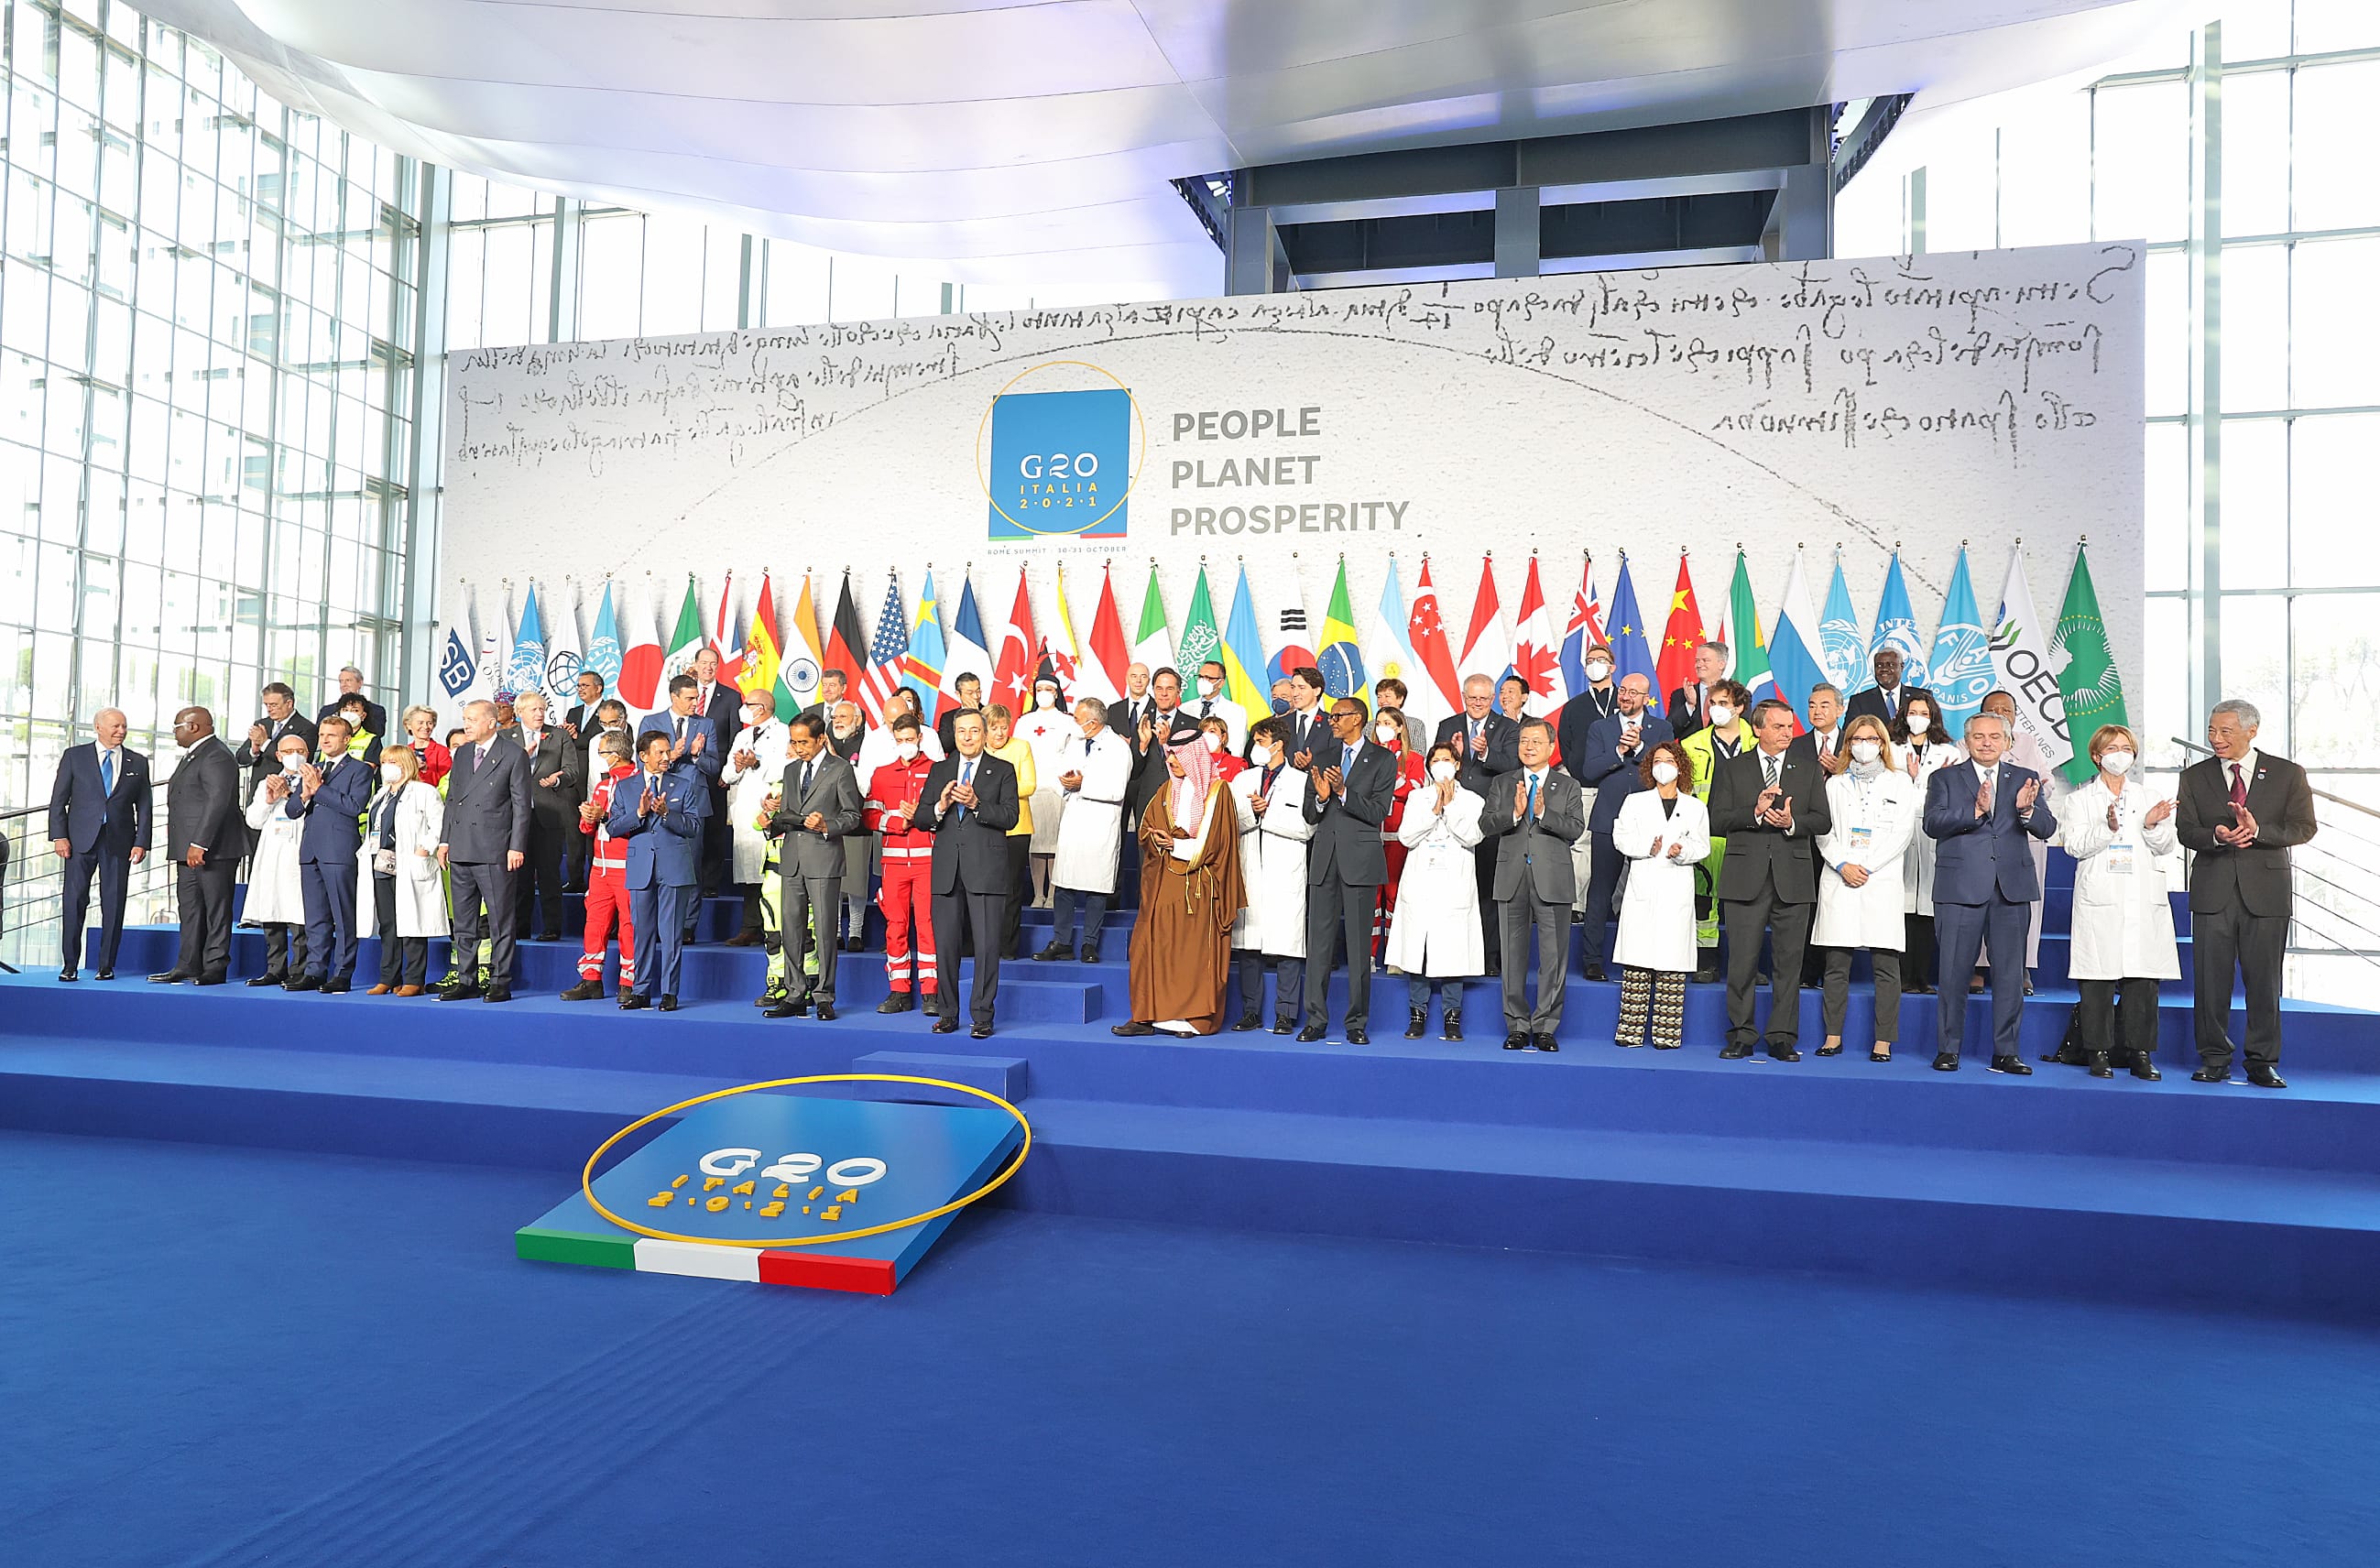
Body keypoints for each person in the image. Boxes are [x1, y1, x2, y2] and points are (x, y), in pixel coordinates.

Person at [2177, 698, 2317, 1089]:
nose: (2216, 738)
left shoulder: (2288, 774)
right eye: (2212, 730)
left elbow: (2304, 827)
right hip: (2213, 890)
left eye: (2225, 731)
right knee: (2210, 983)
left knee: (2265, 983)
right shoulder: (2194, 776)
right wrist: (2216, 835)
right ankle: (2214, 1058)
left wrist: (2259, 832)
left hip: (2266, 892)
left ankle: (2262, 1061)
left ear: (2251, 731)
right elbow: (2185, 830)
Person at [1923, 711, 2057, 1073]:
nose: (1986, 743)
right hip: (1959, 888)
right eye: (1978, 736)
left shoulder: (2026, 778)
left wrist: (2027, 811)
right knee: (1953, 973)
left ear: (2007, 742)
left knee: (2011, 976)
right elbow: (1932, 823)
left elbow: (2047, 827)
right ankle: (1948, 1049)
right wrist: (1975, 810)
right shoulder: (1944, 778)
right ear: (1966, 741)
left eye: (1995, 737)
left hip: (2010, 889)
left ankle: (2006, 1052)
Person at [2054, 724, 2179, 1080]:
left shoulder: (2148, 795)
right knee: (2097, 979)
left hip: (2141, 897)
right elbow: (2074, 846)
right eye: (2112, 748)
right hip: (2101, 897)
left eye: (2126, 748)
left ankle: (2140, 1053)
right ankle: (2097, 1051)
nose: (2120, 754)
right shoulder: (2079, 800)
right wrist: (2107, 828)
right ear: (2097, 756)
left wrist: (2151, 825)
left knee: (2143, 981)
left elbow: (2166, 845)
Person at [1709, 699, 1832, 1062]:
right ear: (1758, 728)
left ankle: (1782, 1036)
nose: (1787, 733)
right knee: (1742, 962)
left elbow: (1822, 821)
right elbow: (1716, 819)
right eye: (1778, 727)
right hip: (1745, 878)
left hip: (1793, 878)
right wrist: (1755, 813)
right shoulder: (1734, 768)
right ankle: (1741, 1034)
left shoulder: (1808, 769)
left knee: (1789, 964)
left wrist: (1792, 824)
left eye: (1790, 726)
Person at [1112, 736, 1247, 1037]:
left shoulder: (1217, 792)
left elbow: (1218, 841)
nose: (1171, 761)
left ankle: (1191, 1019)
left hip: (1199, 885)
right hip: (1164, 882)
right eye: (1169, 755)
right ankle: (1147, 1016)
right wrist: (1158, 838)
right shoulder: (1166, 790)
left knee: (1190, 954)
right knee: (1151, 946)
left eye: (1178, 755)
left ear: (1194, 756)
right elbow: (1147, 827)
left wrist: (1178, 844)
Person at [1812, 715, 1919, 1062]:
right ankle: (1832, 1036)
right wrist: (1843, 864)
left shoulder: (1899, 783)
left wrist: (1867, 866)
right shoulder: (1834, 784)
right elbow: (1824, 832)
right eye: (1857, 739)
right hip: (1840, 877)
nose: (1863, 745)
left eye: (1871, 739)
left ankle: (1883, 1041)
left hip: (1880, 879)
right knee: (1836, 965)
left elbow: (1902, 832)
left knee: (1886, 966)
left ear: (1883, 744)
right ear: (1848, 745)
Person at [1479, 717, 1588, 1051]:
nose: (1528, 747)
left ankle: (1545, 1026)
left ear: (1551, 747)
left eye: (1536, 741)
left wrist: (1542, 814)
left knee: (1553, 958)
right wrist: (1514, 814)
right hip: (1511, 877)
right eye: (1524, 741)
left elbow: (1576, 829)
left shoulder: (1568, 785)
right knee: (1512, 957)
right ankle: (1516, 1024)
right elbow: (1486, 823)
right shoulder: (1503, 782)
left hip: (1552, 879)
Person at [913, 710, 1020, 1038]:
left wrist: (976, 804)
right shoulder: (940, 769)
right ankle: (947, 1013)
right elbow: (921, 818)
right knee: (945, 946)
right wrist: (941, 806)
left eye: (974, 731)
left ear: (985, 734)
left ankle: (982, 1016)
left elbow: (1010, 816)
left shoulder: (1002, 770)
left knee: (987, 947)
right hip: (947, 870)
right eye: (961, 731)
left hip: (986, 869)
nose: (967, 737)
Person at [1299, 696, 1398, 1044]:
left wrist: (1342, 792)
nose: (1332, 721)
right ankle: (1315, 1019)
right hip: (1325, 859)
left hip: (1360, 861)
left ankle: (1356, 1022)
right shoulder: (1322, 757)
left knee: (1358, 948)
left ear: (1357, 718)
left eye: (1337, 716)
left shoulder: (1383, 759)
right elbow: (1309, 813)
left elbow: (1378, 812)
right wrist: (1322, 798)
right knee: (1319, 946)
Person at [1610, 738, 1709, 1050]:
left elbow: (1703, 846)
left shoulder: (1695, 807)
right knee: (1637, 962)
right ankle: (1630, 1032)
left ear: (1680, 768)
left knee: (1671, 962)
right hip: (1643, 883)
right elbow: (1620, 838)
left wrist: (1683, 850)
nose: (1662, 767)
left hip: (1677, 886)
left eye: (1669, 761)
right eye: (1657, 762)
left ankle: (1667, 1035)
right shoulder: (1635, 802)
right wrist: (1646, 848)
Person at [764, 713, 863, 1020]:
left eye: (804, 742)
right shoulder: (790, 769)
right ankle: (795, 993)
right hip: (792, 859)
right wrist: (773, 819)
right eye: (794, 742)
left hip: (824, 858)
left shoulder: (841, 769)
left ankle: (824, 995)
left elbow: (852, 816)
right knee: (791, 929)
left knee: (824, 930)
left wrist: (825, 826)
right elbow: (787, 814)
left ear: (821, 739)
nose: (798, 748)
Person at [1576, 673, 1674, 982]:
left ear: (1646, 698)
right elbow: (1589, 770)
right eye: (1623, 691)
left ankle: (1646, 959)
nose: (1626, 696)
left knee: (1649, 891)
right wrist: (1618, 752)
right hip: (1608, 819)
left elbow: (1667, 769)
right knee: (1600, 890)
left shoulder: (1662, 728)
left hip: (1650, 821)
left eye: (1634, 692)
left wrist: (1642, 747)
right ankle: (1592, 960)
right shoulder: (1600, 728)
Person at [1386, 741, 1485, 1040]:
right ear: (1429, 766)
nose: (1441, 764)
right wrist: (1435, 809)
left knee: (1453, 950)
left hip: (1454, 885)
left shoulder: (1473, 800)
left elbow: (1472, 836)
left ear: (1457, 764)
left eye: (1447, 759)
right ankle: (1417, 1014)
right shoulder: (1418, 798)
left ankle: (1452, 1016)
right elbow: (1406, 836)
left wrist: (1451, 806)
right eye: (1435, 759)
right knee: (1420, 949)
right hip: (1421, 882)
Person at [438, 700, 531, 1003]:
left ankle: (500, 980)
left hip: (494, 849)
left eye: (473, 719)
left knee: (499, 920)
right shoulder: (464, 753)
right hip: (461, 847)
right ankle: (466, 978)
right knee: (464, 921)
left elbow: (521, 805)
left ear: (491, 722)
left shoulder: (513, 754)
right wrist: (445, 841)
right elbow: (453, 799)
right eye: (465, 719)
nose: (467, 725)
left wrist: (516, 846)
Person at [608, 730, 708, 1011]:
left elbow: (694, 827)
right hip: (641, 868)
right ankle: (640, 991)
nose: (666, 757)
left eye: (667, 751)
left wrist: (666, 813)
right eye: (660, 752)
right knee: (641, 933)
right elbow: (613, 827)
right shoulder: (625, 787)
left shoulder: (683, 785)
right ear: (643, 756)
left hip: (674, 868)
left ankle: (669, 993)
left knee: (672, 934)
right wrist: (639, 814)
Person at [49, 707, 149, 981]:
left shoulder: (138, 762)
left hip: (119, 841)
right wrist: (59, 836)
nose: (121, 731)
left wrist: (141, 842)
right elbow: (58, 800)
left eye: (124, 726)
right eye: (116, 726)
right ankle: (70, 965)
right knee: (74, 901)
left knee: (114, 902)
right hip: (78, 841)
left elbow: (145, 806)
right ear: (98, 727)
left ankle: (106, 965)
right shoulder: (75, 756)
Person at [1230, 719, 1314, 1032]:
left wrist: (1269, 813)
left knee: (1287, 946)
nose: (1255, 747)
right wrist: (1253, 812)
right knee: (1249, 945)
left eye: (1261, 741)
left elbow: (1307, 827)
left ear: (1278, 745)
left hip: (1285, 871)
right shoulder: (1242, 779)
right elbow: (1232, 820)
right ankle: (1250, 1011)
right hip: (1250, 867)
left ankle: (1285, 1014)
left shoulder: (1301, 781)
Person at [1039, 698, 1133, 963]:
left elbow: (1117, 790)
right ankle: (1062, 941)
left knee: (1096, 886)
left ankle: (1089, 944)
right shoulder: (1075, 744)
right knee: (1064, 884)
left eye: (1078, 719)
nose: (1075, 723)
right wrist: (1067, 782)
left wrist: (1083, 784)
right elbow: (1060, 774)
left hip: (1100, 825)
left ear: (1093, 722)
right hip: (1073, 820)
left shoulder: (1118, 748)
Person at [284, 714, 373, 993]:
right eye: (322, 735)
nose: (324, 740)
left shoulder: (360, 769)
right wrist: (304, 794)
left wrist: (319, 789)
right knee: (315, 917)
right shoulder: (314, 768)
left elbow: (354, 806)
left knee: (343, 915)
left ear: (347, 739)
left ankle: (343, 972)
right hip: (310, 850)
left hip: (338, 850)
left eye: (331, 735)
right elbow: (292, 811)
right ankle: (314, 970)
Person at [1438, 673, 1523, 970]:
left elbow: (1513, 765)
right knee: (1455, 887)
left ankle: (1489, 956)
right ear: (1464, 697)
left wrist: (1486, 753)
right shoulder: (1447, 726)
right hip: (1454, 816)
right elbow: (1435, 765)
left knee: (1488, 889)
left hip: (1491, 818)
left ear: (1492, 699)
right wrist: (1456, 758)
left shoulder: (1509, 727)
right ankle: (1454, 953)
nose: (1477, 703)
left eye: (1483, 698)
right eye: (1472, 698)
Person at [150, 707, 239, 985]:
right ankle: (188, 964)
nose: (174, 732)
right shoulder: (195, 754)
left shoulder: (216, 755)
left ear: (194, 727)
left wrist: (200, 842)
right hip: (187, 849)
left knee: (216, 910)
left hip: (213, 850)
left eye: (177, 726)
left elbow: (217, 801)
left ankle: (215, 966)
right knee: (189, 908)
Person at [862, 712, 939, 1013]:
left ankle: (931, 992)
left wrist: (921, 816)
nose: (905, 744)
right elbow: (869, 815)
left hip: (928, 861)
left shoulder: (937, 771)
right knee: (895, 926)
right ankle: (899, 991)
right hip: (893, 863)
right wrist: (898, 822)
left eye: (910, 739)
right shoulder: (882, 774)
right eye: (900, 740)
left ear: (920, 738)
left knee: (928, 925)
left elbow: (946, 815)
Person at [1677, 678, 1752, 983]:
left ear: (1739, 707)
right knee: (1704, 902)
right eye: (1713, 703)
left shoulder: (1757, 742)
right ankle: (1706, 962)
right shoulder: (1690, 745)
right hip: (1705, 835)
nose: (1716, 709)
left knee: (1745, 904)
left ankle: (1746, 966)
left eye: (1724, 703)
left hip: (1747, 834)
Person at [358, 744, 446, 996]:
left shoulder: (424, 792)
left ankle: (414, 980)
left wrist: (424, 848)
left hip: (411, 864)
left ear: (406, 764)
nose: (387, 767)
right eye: (385, 762)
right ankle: (389, 977)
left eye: (393, 762)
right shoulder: (381, 794)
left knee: (412, 922)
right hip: (381, 864)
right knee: (388, 924)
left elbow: (438, 824)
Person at [1891, 695, 1960, 994]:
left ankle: (1921, 976)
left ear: (1933, 717)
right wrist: (1913, 779)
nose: (1917, 718)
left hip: (1932, 833)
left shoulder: (1949, 752)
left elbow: (1952, 792)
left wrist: (1925, 781)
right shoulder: (1891, 749)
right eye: (1912, 712)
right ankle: (1902, 976)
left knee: (1927, 909)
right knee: (1902, 906)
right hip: (1900, 831)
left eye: (1923, 713)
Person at [562, 731, 638, 1004]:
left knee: (629, 925)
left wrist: (602, 816)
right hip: (599, 867)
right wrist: (587, 817)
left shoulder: (637, 782)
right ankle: (591, 979)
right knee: (595, 923)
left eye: (602, 753)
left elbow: (635, 822)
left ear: (615, 755)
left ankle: (629, 983)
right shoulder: (603, 785)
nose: (600, 758)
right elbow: (588, 828)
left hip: (627, 866)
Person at [241, 731, 312, 987]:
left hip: (298, 851)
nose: (295, 756)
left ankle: (299, 969)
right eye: (289, 752)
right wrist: (269, 801)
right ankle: (275, 968)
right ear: (279, 755)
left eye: (300, 751)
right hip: (272, 853)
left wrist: (289, 795)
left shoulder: (314, 780)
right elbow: (253, 820)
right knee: (271, 910)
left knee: (298, 914)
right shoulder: (267, 782)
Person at [719, 687, 790, 946]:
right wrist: (739, 765)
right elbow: (727, 775)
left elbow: (786, 767)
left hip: (769, 805)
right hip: (745, 808)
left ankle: (775, 928)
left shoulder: (783, 733)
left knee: (769, 871)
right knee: (749, 873)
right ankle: (750, 927)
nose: (744, 708)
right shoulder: (743, 735)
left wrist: (756, 764)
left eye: (748, 704)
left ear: (761, 708)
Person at [509, 691, 580, 942]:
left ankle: (552, 927)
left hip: (549, 814)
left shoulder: (559, 736)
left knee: (549, 874)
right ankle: (520, 927)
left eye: (542, 709)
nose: (539, 714)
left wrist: (557, 780)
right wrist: (521, 756)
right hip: (515, 817)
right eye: (534, 710)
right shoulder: (506, 737)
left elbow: (572, 771)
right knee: (520, 877)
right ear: (520, 713)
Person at [1368, 706, 1425, 964]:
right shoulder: (1367, 756)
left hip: (1397, 833)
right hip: (1370, 832)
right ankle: (1369, 953)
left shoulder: (1413, 758)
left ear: (1400, 727)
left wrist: (1385, 786)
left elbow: (1414, 789)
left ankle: (1394, 955)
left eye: (1388, 723)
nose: (1382, 727)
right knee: (1372, 895)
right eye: (1379, 722)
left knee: (1393, 893)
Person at [687, 647, 743, 904]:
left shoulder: (730, 697)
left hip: (715, 773)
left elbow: (735, 737)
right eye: (704, 663)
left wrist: (727, 772)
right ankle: (689, 877)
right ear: (696, 664)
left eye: (713, 664)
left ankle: (710, 883)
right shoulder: (685, 692)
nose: (708, 668)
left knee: (714, 828)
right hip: (686, 772)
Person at [984, 703, 1040, 962]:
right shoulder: (978, 749)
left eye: (1004, 727)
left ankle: (1007, 946)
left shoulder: (1021, 747)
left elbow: (1029, 785)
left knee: (1011, 889)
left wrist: (996, 789)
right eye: (994, 727)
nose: (999, 733)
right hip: (984, 828)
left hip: (1016, 829)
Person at [1015, 672, 1075, 908]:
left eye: (1048, 690)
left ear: (1057, 693)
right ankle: (1038, 893)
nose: (1044, 694)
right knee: (1037, 844)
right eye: (1039, 690)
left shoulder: (1067, 721)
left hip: (1058, 788)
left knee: (1055, 845)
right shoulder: (1024, 722)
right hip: (1032, 788)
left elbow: (1073, 754)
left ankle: (1052, 894)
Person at [825, 699, 875, 949]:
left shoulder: (868, 743)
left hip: (857, 821)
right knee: (832, 880)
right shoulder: (824, 741)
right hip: (829, 820)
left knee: (856, 880)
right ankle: (834, 931)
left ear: (858, 720)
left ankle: (855, 931)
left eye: (844, 717)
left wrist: (837, 759)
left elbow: (865, 782)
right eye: (835, 717)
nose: (838, 722)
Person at [562, 670, 608, 889]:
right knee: (573, 832)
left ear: (598, 688)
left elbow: (600, 741)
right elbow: (569, 743)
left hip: (596, 781)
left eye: (585, 685)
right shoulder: (574, 712)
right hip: (573, 781)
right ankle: (575, 879)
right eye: (579, 686)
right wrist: (566, 735)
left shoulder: (608, 710)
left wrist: (576, 737)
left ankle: (594, 881)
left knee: (593, 832)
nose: (580, 689)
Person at [234, 682, 317, 800]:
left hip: (288, 792)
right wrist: (254, 751)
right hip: (259, 793)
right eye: (266, 705)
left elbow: (300, 762)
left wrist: (265, 743)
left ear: (289, 703)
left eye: (273, 705)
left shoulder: (307, 728)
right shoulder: (262, 724)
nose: (269, 709)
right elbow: (240, 757)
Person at [1845, 647, 1933, 731]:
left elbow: (1934, 729)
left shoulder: (1922, 696)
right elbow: (1849, 733)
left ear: (1902, 667)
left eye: (1890, 665)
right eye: (1879, 665)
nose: (1884, 669)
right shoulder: (1860, 701)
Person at [1185, 659, 1249, 757]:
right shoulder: (1185, 708)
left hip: (1221, 763)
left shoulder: (1237, 711)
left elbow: (1236, 749)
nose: (1203, 681)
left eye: (1209, 678)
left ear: (1221, 683)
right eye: (1200, 677)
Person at [1666, 642, 1729, 737]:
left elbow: (1744, 729)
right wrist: (1689, 705)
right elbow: (1669, 731)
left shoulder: (1735, 694)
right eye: (1697, 661)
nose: (1699, 665)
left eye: (1705, 660)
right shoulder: (1681, 695)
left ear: (1721, 664)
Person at [316, 665, 388, 739]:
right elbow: (318, 732)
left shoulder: (376, 710)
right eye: (341, 681)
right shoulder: (327, 710)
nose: (344, 685)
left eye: (348, 680)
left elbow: (379, 732)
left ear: (360, 683)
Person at [1106, 663, 1153, 753]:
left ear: (1148, 681)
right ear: (1127, 680)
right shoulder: (1114, 710)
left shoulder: (1159, 708)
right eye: (1134, 676)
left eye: (1143, 677)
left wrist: (1133, 746)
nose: (1138, 681)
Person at [936, 670, 987, 757]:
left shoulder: (989, 713)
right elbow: (945, 746)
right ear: (958, 694)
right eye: (970, 693)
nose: (976, 696)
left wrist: (977, 715)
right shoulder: (948, 717)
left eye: (978, 691)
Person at [398, 704, 451, 787]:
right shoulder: (405, 752)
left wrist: (425, 770)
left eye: (430, 723)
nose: (426, 727)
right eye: (420, 723)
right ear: (408, 725)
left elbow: (446, 782)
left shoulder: (442, 751)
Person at [1374, 678, 1429, 755]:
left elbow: (1419, 753)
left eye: (1387, 696)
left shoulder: (1415, 725)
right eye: (1379, 697)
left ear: (1400, 699)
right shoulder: (1369, 726)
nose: (1382, 701)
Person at [332, 692, 383, 766]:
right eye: (345, 710)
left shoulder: (372, 739)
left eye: (355, 710)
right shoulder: (329, 737)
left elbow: (369, 768)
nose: (349, 714)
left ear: (363, 715)